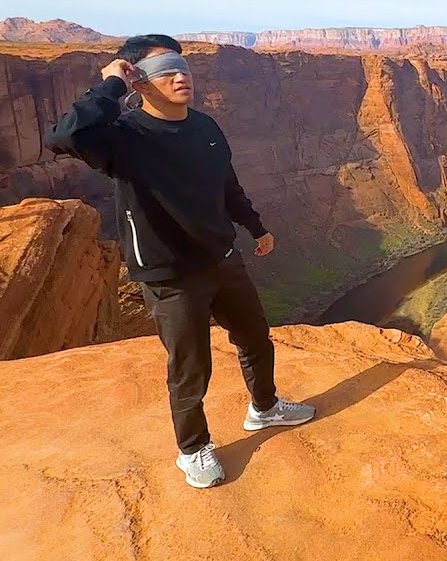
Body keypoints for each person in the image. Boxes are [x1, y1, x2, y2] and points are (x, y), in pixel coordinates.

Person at [43, 34, 315, 488]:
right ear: (137, 80)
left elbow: (226, 185)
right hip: (170, 272)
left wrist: (256, 227)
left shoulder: (205, 127)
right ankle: (193, 449)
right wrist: (110, 86)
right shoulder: (121, 137)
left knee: (255, 337)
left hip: (222, 257)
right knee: (191, 366)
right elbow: (63, 137)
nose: (179, 75)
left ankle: (264, 409)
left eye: (183, 67)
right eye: (164, 68)